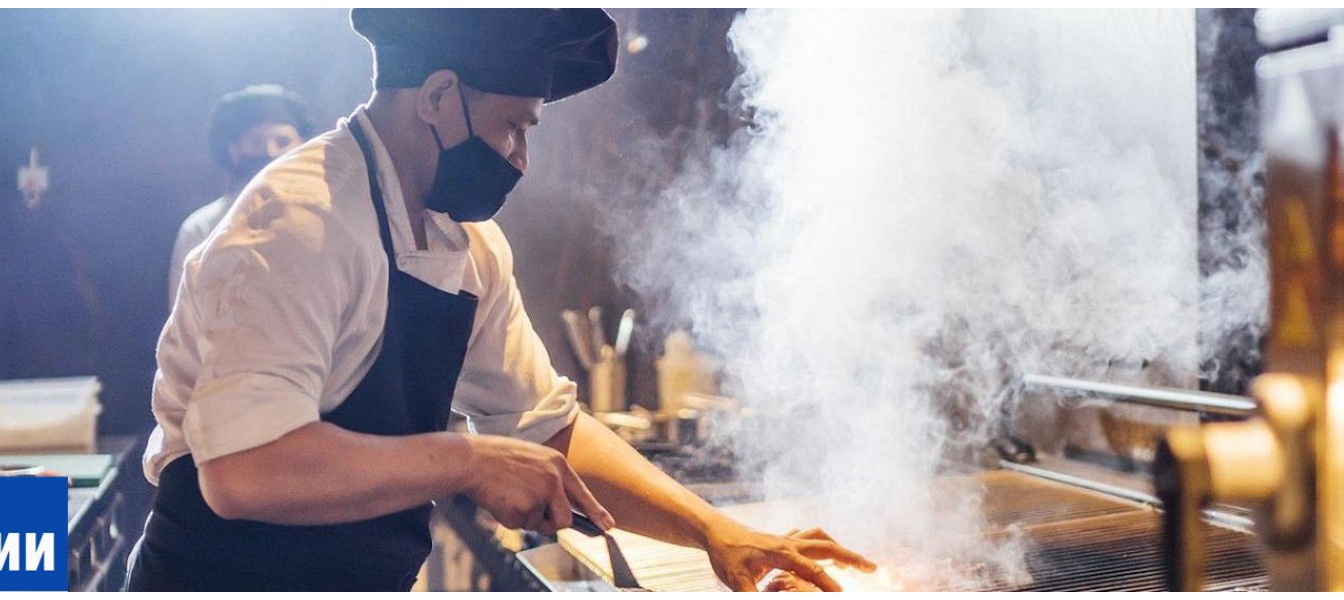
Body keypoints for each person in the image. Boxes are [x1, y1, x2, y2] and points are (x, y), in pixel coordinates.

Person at [128, 9, 874, 591]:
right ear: (438, 97)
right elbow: (245, 470)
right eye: (513, 126)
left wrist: (711, 529)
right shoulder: (300, 220)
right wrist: (464, 460)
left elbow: (546, 424)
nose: (521, 156)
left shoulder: (468, 247)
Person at [169, 84, 316, 304]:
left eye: (282, 141)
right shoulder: (202, 228)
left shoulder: (324, 222)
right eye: (256, 141)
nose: (270, 152)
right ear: (234, 150)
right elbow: (184, 314)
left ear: (302, 147)